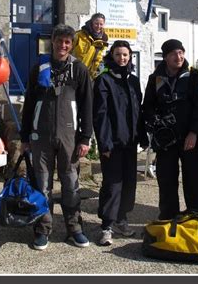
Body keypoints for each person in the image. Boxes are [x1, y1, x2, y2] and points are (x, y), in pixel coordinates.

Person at [20, 24, 93, 251]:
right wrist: (24, 137)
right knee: (42, 186)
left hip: (69, 137)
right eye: (59, 41)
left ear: (71, 45)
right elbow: (29, 104)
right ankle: (43, 230)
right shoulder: (38, 69)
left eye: (67, 42)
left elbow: (87, 106)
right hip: (40, 137)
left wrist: (85, 137)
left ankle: (75, 229)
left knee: (70, 185)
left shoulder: (79, 70)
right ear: (52, 41)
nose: (63, 46)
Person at [142, 39, 198, 220]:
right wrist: (154, 122)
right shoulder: (155, 78)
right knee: (167, 179)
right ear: (165, 57)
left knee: (193, 178)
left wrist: (194, 132)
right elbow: (147, 106)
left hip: (190, 137)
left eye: (181, 52)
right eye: (173, 54)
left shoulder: (194, 76)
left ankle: (196, 214)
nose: (178, 57)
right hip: (166, 139)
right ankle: (168, 215)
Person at [93, 40, 148, 246]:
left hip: (130, 143)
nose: (122, 58)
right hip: (113, 144)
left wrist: (142, 136)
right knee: (112, 184)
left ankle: (121, 220)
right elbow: (101, 116)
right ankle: (107, 225)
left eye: (125, 55)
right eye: (118, 55)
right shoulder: (104, 80)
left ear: (130, 57)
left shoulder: (133, 81)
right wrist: (104, 144)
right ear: (112, 56)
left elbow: (138, 112)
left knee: (128, 183)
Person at [72, 13, 109, 80]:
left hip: (93, 77)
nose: (98, 26)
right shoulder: (79, 35)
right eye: (96, 23)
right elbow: (68, 52)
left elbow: (103, 58)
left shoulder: (104, 39)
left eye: (101, 24)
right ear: (91, 23)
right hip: (77, 73)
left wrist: (100, 73)